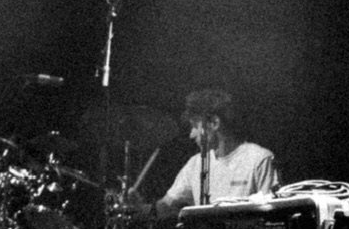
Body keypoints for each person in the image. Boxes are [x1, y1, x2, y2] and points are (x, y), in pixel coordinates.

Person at [121, 88, 282, 220]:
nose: (191, 134)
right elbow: (166, 208)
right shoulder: (195, 164)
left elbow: (272, 216)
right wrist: (140, 208)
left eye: (195, 126)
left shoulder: (259, 159)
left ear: (214, 123)